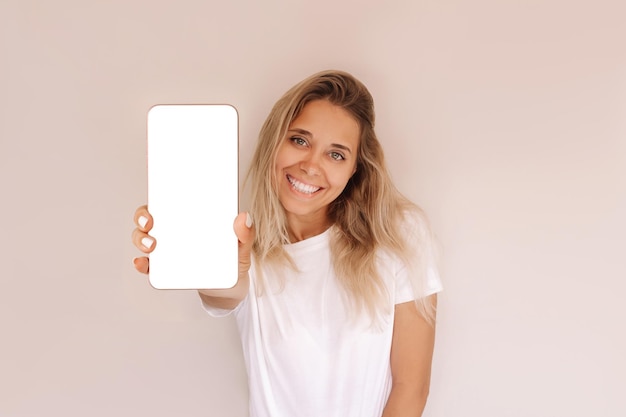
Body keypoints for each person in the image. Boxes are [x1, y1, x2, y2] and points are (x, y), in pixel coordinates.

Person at [132, 70, 442, 417]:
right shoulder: (244, 247)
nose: (311, 166)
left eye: (336, 154)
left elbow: (411, 388)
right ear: (275, 142)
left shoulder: (399, 233)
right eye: (299, 140)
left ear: (356, 168)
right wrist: (208, 264)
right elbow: (224, 290)